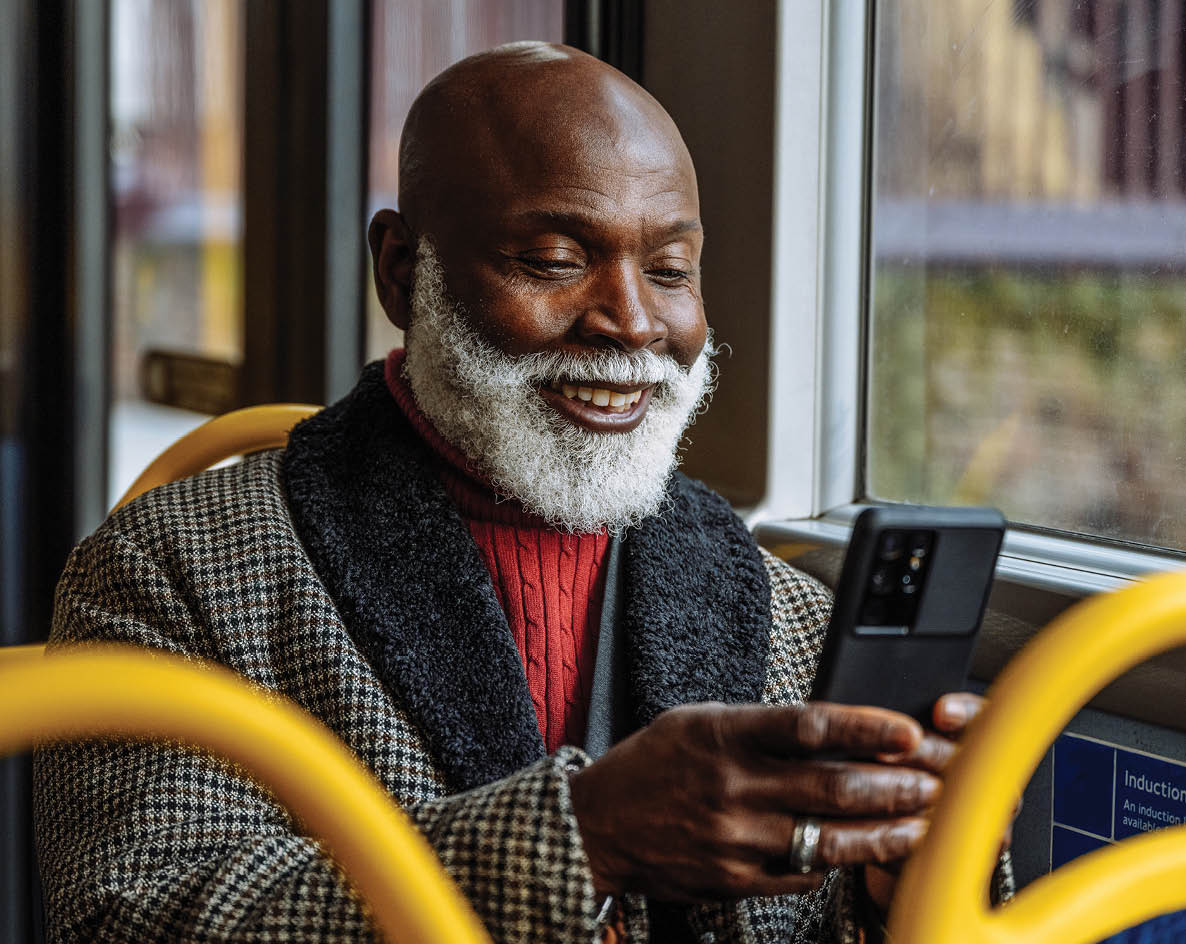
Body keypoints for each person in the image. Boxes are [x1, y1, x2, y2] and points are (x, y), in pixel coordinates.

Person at [34, 42, 1010, 943]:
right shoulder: (171, 570)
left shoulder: (790, 615)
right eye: (554, 259)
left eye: (670, 270)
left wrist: (911, 879)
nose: (631, 320)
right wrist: (581, 840)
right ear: (404, 270)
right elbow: (133, 915)